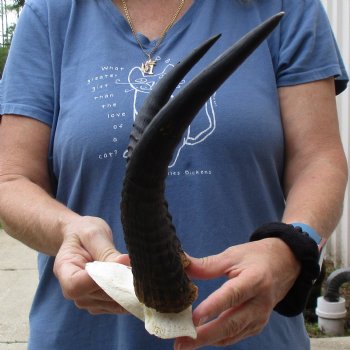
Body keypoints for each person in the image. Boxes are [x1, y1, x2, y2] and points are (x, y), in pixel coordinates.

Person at [0, 0, 348, 349]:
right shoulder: (51, 12)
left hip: (253, 337)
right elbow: (11, 180)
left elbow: (318, 160)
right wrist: (66, 230)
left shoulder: (287, 6)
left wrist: (291, 246)